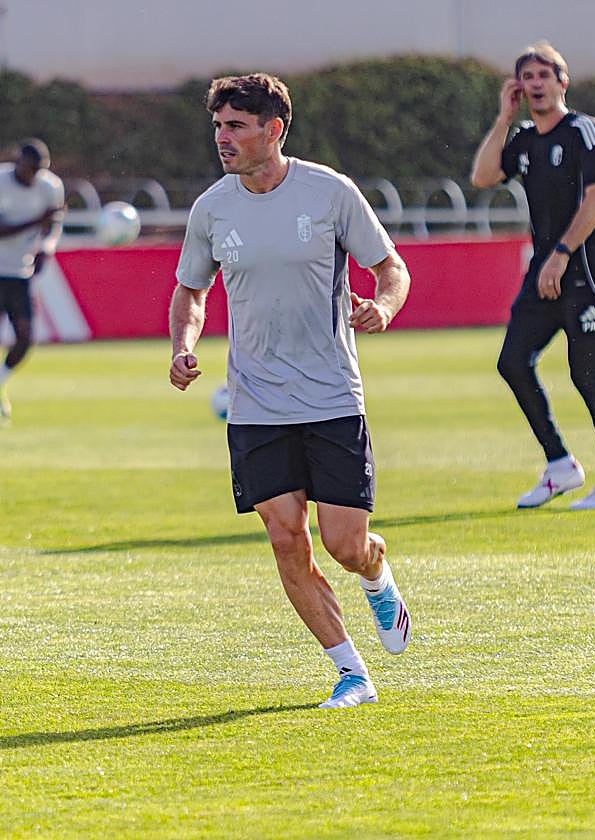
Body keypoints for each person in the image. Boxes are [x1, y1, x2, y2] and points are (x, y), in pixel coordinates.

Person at [170, 73, 413, 709]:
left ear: (273, 129)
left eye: (236, 126)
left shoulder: (329, 192)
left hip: (331, 396)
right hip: (255, 404)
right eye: (218, 126)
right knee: (285, 539)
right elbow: (191, 290)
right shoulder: (212, 208)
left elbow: (390, 268)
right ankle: (351, 673)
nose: (222, 138)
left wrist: (384, 306)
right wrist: (183, 345)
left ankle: (376, 571)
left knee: (344, 545)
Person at [470, 42, 595, 510]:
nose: (536, 83)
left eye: (544, 75)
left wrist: (561, 253)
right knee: (512, 362)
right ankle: (560, 464)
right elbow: (482, 177)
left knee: (588, 376)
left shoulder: (584, 130)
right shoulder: (522, 138)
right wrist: (504, 118)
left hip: (586, 272)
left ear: (563, 81)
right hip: (545, 272)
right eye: (528, 76)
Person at [0, 139, 63, 425]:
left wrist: (46, 247)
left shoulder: (50, 186)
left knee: (25, 337)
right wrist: (37, 221)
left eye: (39, 170)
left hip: (19, 270)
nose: (34, 175)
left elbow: (53, 226)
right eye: (30, 169)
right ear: (18, 163)